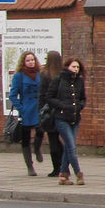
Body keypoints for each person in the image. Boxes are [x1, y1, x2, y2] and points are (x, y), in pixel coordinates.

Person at [46, 57, 87, 185]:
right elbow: (49, 97)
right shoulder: (59, 80)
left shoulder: (79, 81)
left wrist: (80, 106)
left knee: (68, 147)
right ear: (67, 67)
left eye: (78, 67)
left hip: (75, 118)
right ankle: (78, 173)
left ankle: (63, 175)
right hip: (62, 118)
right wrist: (62, 105)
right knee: (71, 146)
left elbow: (82, 98)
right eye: (73, 66)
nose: (76, 69)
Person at [7, 51, 42, 176]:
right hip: (27, 109)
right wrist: (21, 109)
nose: (31, 62)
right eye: (28, 60)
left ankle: (37, 148)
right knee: (26, 138)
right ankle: (30, 166)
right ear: (23, 62)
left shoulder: (39, 73)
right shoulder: (19, 76)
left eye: (32, 59)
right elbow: (12, 95)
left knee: (40, 131)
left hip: (39, 108)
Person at [39, 51, 64, 177]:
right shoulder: (63, 74)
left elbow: (42, 95)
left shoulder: (45, 75)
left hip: (50, 112)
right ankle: (64, 167)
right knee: (64, 140)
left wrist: (41, 111)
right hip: (62, 111)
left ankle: (57, 168)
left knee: (53, 140)